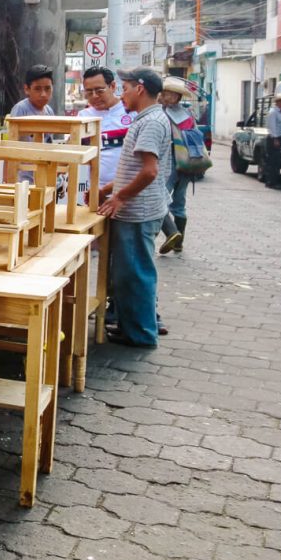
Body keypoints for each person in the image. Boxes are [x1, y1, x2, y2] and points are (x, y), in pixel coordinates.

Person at [97, 67, 172, 348]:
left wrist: (120, 198)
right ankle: (132, 328)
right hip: (136, 209)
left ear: (140, 88)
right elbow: (134, 168)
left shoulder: (150, 122)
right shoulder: (147, 118)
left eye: (125, 88)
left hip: (139, 212)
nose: (122, 94)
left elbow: (149, 171)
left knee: (137, 273)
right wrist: (107, 189)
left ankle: (141, 334)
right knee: (127, 273)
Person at [157, 77, 199, 253]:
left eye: (169, 94)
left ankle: (173, 235)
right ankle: (178, 241)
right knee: (179, 202)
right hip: (188, 163)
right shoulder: (187, 114)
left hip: (172, 161)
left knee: (160, 197)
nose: (165, 97)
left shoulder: (163, 114)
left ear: (176, 97)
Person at [78, 66, 134, 200]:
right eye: (89, 92)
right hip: (95, 192)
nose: (95, 96)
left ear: (113, 86)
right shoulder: (83, 117)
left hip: (128, 190)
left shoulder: (132, 112)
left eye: (99, 90)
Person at [8, 64, 56, 184]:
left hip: (43, 174)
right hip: (23, 177)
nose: (43, 94)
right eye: (37, 89)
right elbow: (10, 146)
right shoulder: (21, 109)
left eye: (47, 88)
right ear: (27, 89)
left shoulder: (49, 111)